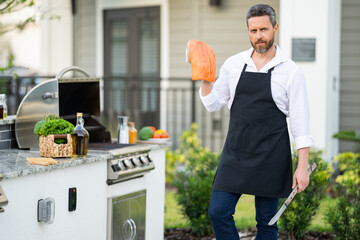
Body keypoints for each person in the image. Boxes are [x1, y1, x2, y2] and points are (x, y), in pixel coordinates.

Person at [190, 4, 313, 240]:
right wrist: (205, 75)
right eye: (253, 30)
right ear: (248, 31)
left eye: (264, 29)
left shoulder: (290, 71)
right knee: (218, 211)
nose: (259, 36)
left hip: (271, 154)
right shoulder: (234, 65)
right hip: (236, 151)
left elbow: (300, 122)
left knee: (266, 223)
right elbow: (213, 103)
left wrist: (302, 166)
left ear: (275, 28)